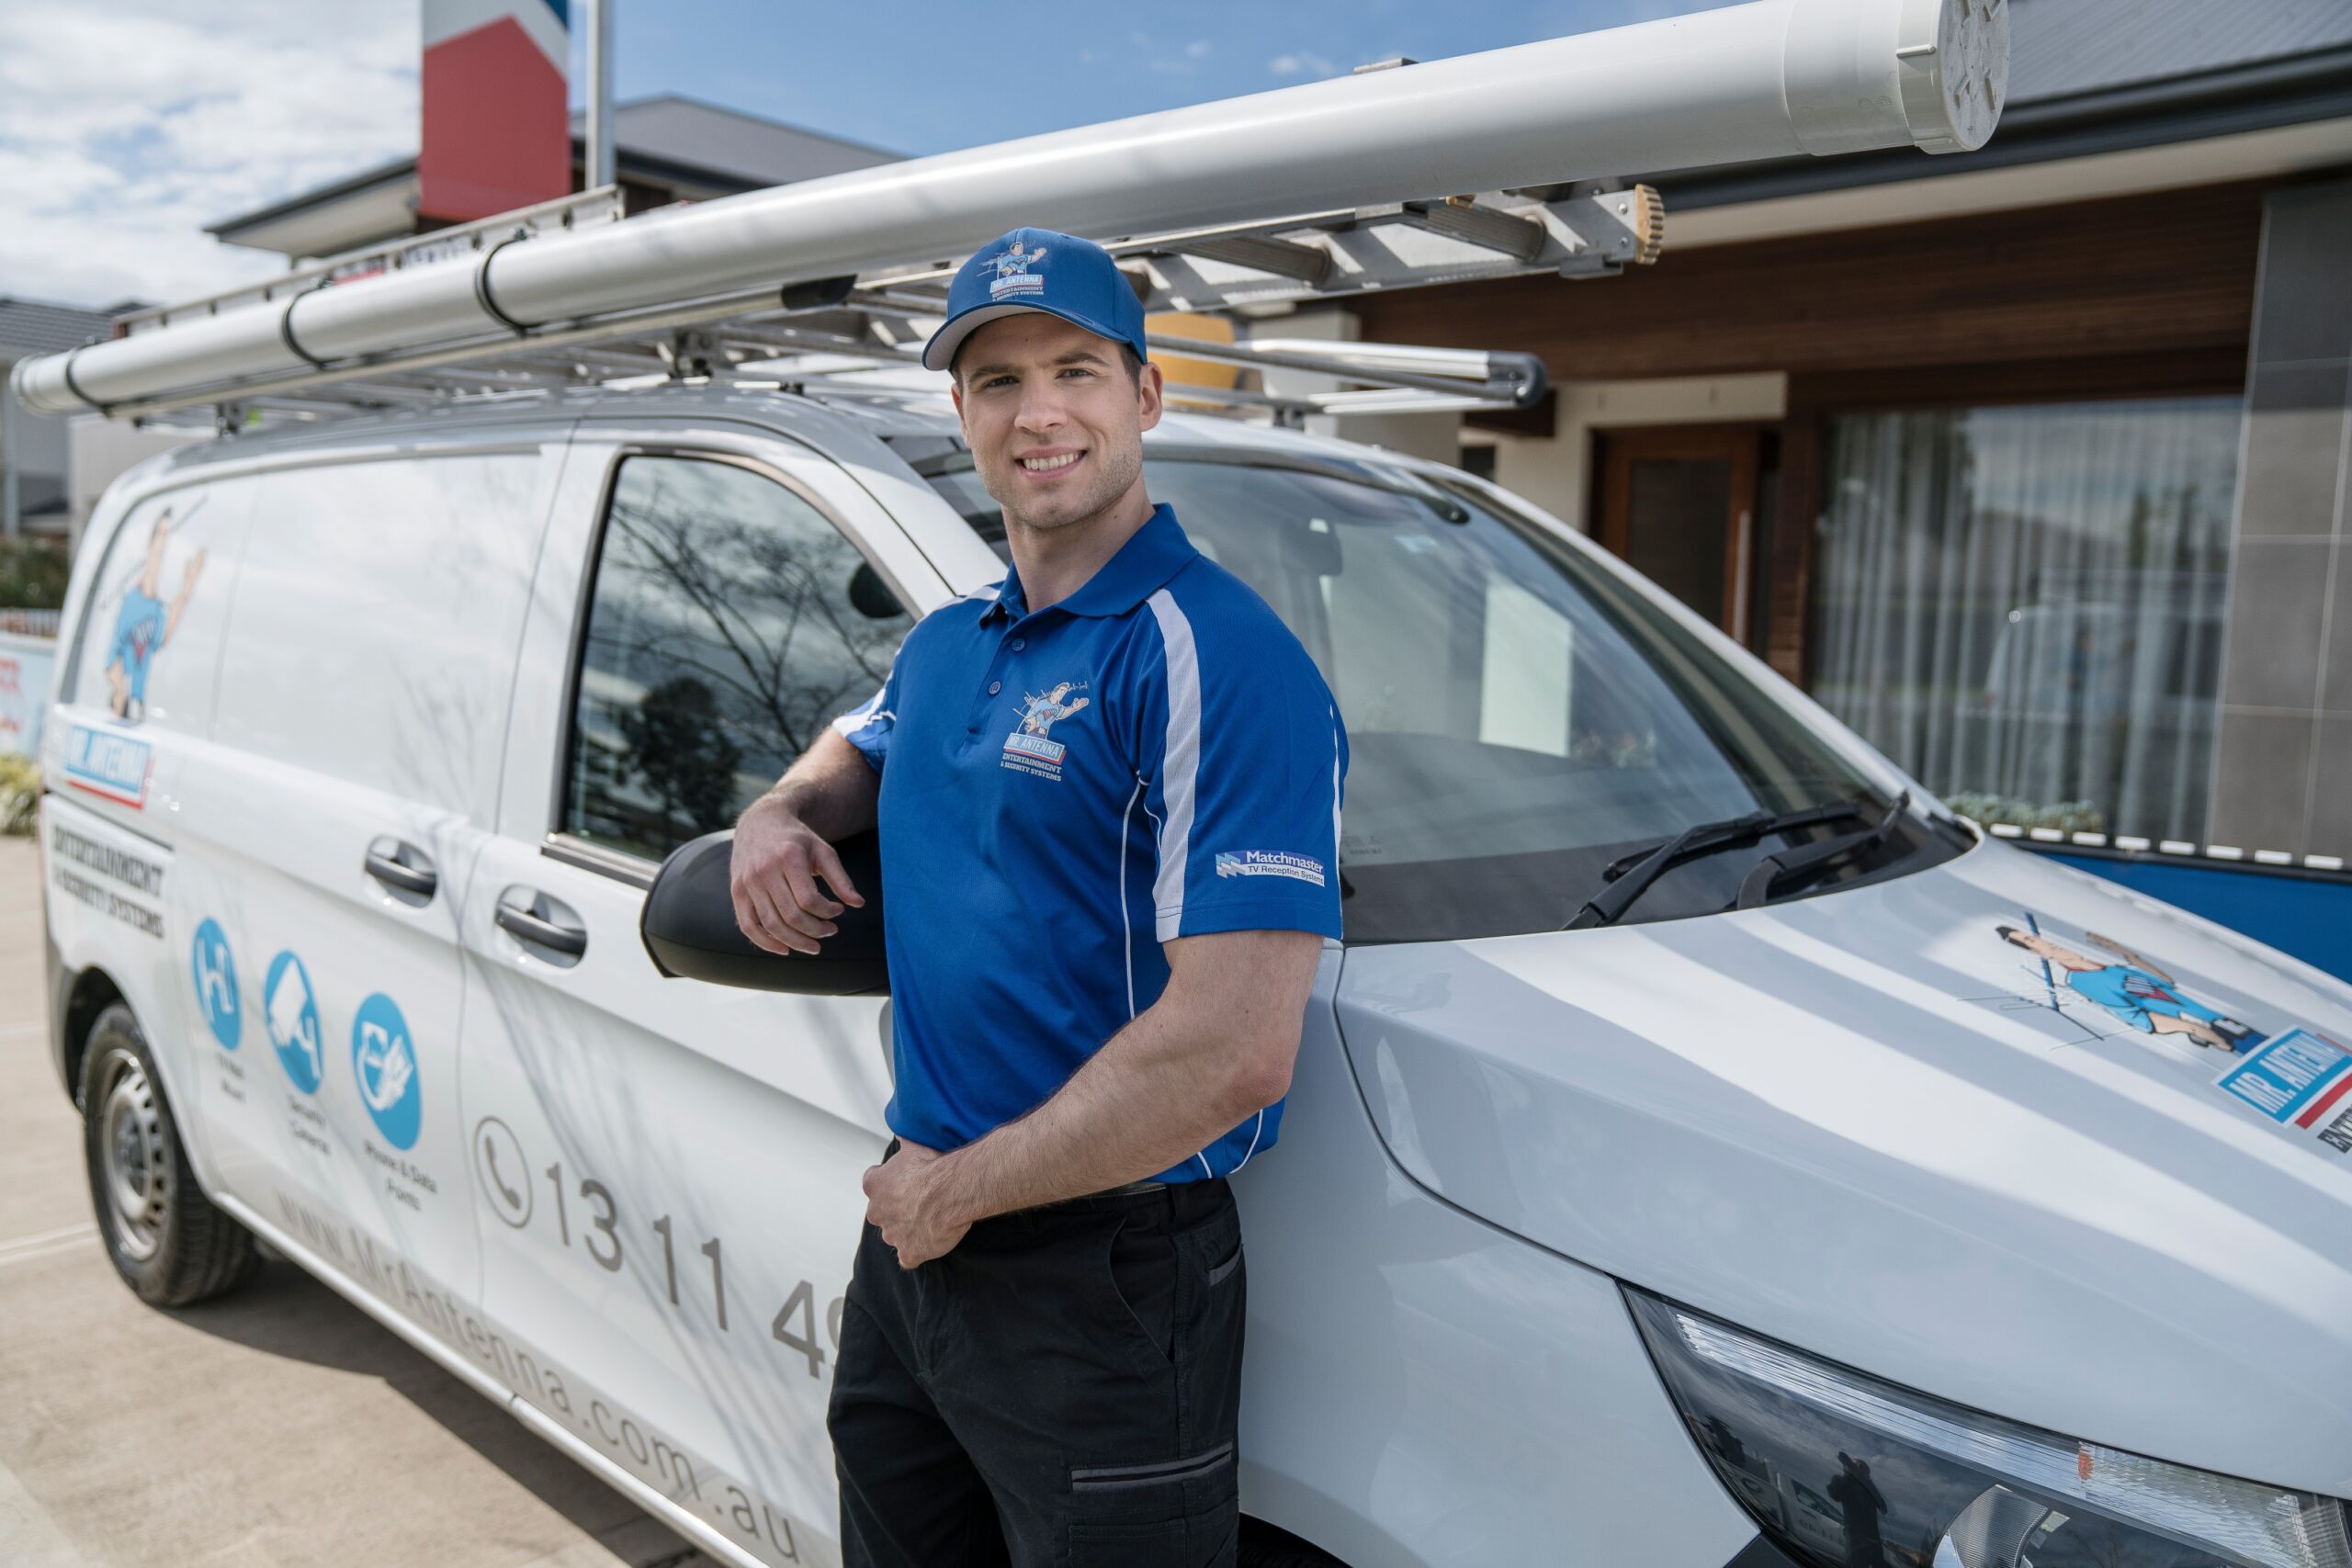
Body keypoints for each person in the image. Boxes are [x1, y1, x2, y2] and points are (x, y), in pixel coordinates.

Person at [729, 227, 1348, 1567]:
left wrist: (960, 1193)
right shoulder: (958, 638)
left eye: (1076, 366)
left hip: (1102, 1279)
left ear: (1147, 395)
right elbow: (868, 742)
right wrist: (776, 812)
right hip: (915, 1238)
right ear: (961, 414)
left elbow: (1238, 1048)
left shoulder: (1218, 657)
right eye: (998, 379)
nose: (1039, 409)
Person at [1996, 925, 2255, 1051]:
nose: (2043, 940)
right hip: (2194, 1025)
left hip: (2213, 1014)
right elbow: (2133, 1015)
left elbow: (2164, 981)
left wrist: (2119, 950)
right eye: (2032, 940)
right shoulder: (2081, 981)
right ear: (2036, 952)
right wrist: (2188, 1027)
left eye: (2036, 935)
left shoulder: (2112, 966)